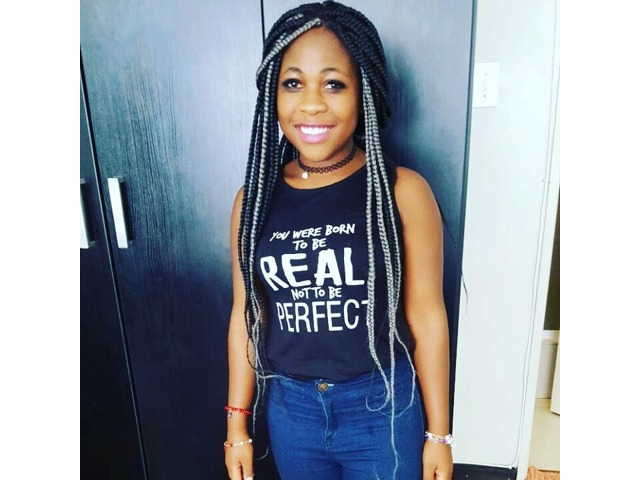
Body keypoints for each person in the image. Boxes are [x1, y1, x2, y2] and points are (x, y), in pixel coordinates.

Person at [225, 2, 453, 479]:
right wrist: (237, 426)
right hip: (292, 412)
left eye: (333, 84)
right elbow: (247, 315)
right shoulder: (254, 201)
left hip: (381, 407)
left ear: (363, 92)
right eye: (293, 83)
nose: (312, 103)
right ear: (273, 94)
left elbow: (428, 316)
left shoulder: (402, 191)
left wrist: (439, 435)